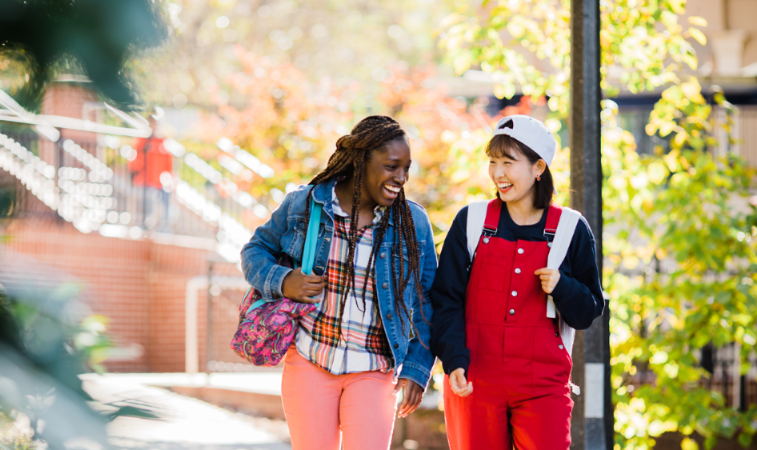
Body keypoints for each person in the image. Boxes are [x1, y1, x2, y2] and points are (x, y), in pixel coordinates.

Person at [241, 115, 437, 450]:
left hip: (374, 369)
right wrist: (284, 280)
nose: (401, 178)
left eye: (406, 168)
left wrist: (417, 369)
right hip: (310, 362)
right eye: (392, 166)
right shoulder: (305, 204)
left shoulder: (412, 222)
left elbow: (428, 300)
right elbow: (255, 250)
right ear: (361, 161)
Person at [430, 115, 604, 450]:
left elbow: (587, 312)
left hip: (543, 386)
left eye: (508, 162)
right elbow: (445, 299)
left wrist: (563, 286)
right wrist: (454, 359)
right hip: (474, 379)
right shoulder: (472, 221)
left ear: (538, 167)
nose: (497, 173)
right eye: (492, 162)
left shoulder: (570, 229)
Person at [129, 114, 172, 231]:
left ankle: (165, 229)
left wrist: (169, 180)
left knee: (167, 200)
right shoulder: (143, 141)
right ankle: (145, 227)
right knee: (149, 199)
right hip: (145, 182)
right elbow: (135, 162)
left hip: (158, 182)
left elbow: (168, 166)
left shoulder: (163, 142)